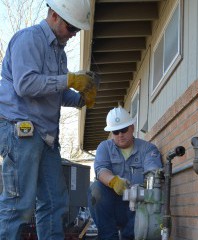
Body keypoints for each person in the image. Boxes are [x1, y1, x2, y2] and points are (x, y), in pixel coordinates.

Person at [0, 0, 97, 239]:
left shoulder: (59, 53)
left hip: (46, 137)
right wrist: (69, 80)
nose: (74, 34)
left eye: (77, 30)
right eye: (71, 28)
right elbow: (25, 84)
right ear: (54, 15)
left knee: (55, 202)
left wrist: (82, 99)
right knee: (18, 206)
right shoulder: (29, 39)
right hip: (20, 129)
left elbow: (59, 93)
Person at [88, 106, 163, 240]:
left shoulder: (147, 149)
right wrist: (114, 181)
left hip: (139, 207)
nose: (120, 134)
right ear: (111, 133)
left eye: (123, 129)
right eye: (116, 132)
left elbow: (154, 174)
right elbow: (101, 170)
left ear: (132, 127)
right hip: (112, 206)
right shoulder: (104, 147)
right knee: (96, 189)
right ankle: (108, 237)